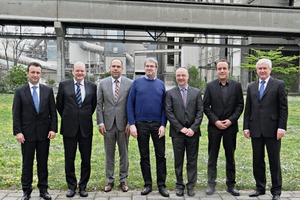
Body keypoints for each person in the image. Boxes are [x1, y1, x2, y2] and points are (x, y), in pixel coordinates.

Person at [243, 58, 288, 200]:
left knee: (274, 160)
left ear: (270, 70)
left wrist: (281, 127)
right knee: (257, 160)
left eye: (265, 68)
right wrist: (246, 127)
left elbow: (283, 108)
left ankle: (276, 191)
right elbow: (248, 109)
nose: (262, 71)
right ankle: (260, 187)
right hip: (255, 129)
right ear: (256, 71)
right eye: (260, 68)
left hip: (273, 130)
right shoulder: (251, 86)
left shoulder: (279, 85)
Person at [12, 62, 57, 200]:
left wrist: (53, 129)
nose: (35, 75)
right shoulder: (20, 91)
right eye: (33, 72)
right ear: (28, 73)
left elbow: (53, 112)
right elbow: (16, 113)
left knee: (42, 163)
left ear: (41, 74)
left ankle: (43, 190)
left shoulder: (47, 91)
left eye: (38, 72)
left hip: (44, 134)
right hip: (27, 134)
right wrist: (18, 132)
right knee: (27, 163)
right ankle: (26, 191)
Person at [126, 57, 169, 197]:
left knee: (160, 156)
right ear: (144, 68)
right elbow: (129, 105)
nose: (149, 68)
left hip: (157, 125)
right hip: (141, 125)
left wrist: (163, 124)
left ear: (156, 68)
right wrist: (132, 124)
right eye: (147, 66)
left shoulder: (161, 85)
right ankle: (148, 184)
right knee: (144, 156)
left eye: (152, 66)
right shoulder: (137, 84)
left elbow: (165, 108)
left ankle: (161, 185)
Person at [203, 59, 244, 196]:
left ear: (228, 70)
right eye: (219, 69)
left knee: (230, 157)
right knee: (212, 157)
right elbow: (206, 107)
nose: (221, 71)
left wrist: (230, 121)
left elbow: (240, 106)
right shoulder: (210, 86)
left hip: (230, 128)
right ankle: (211, 184)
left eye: (224, 68)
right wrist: (215, 121)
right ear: (216, 71)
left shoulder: (237, 86)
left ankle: (231, 185)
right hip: (214, 128)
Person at [56, 61, 97, 198]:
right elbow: (59, 105)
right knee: (69, 158)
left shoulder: (92, 87)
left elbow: (92, 106)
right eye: (77, 71)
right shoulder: (64, 85)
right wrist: (70, 117)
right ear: (72, 71)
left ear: (85, 72)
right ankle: (71, 187)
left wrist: (82, 116)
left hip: (86, 128)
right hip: (69, 128)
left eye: (82, 71)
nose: (80, 73)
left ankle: (83, 186)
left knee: (86, 159)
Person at [165, 67, 203, 197]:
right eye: (178, 76)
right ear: (176, 77)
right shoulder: (170, 93)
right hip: (177, 133)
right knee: (178, 160)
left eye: (183, 75)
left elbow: (200, 112)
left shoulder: (196, 92)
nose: (181, 78)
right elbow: (169, 113)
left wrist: (193, 128)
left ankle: (191, 186)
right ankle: (179, 185)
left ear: (188, 77)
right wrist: (181, 128)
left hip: (193, 133)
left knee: (192, 160)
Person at [96, 58, 132, 192]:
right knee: (109, 154)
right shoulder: (102, 83)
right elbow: (99, 104)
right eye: (113, 66)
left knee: (124, 153)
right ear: (109, 68)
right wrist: (100, 122)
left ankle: (123, 180)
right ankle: (109, 180)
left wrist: (130, 122)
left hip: (124, 125)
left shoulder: (129, 83)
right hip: (108, 125)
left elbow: (131, 104)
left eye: (118, 66)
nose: (116, 69)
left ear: (122, 69)